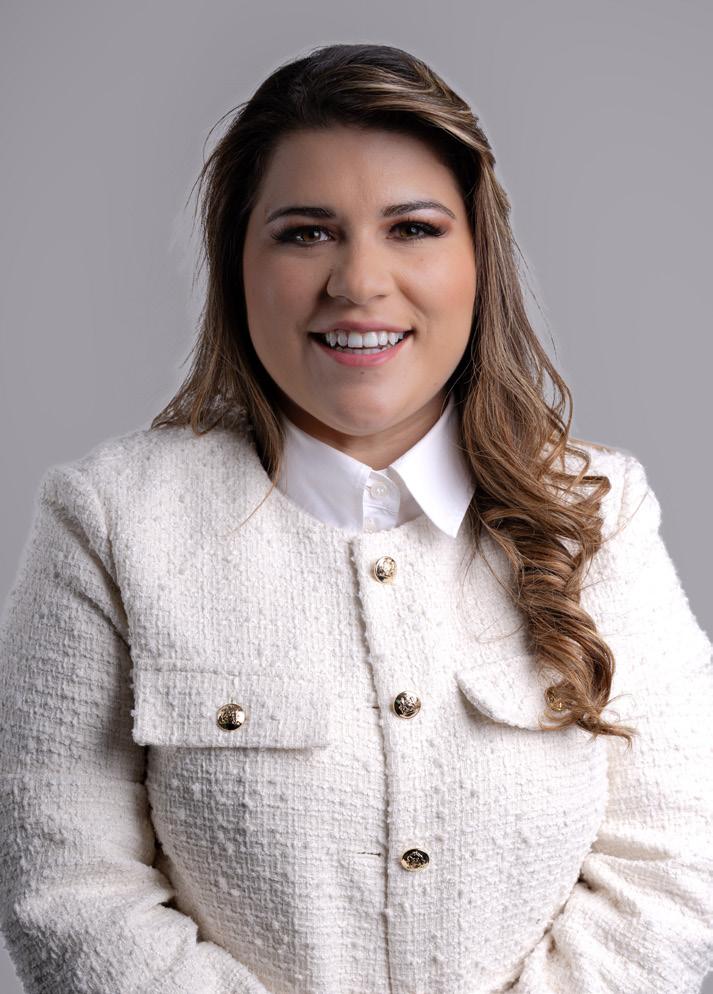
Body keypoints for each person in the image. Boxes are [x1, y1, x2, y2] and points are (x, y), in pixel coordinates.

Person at [0, 41, 711, 994]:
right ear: (237, 264)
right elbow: (66, 891)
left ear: (478, 260)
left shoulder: (599, 513)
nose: (359, 282)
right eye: (305, 233)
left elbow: (678, 873)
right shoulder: (111, 522)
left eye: (412, 228)